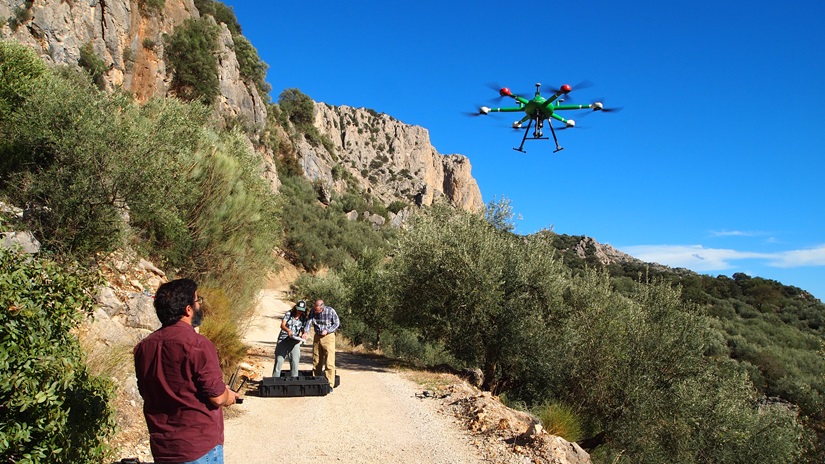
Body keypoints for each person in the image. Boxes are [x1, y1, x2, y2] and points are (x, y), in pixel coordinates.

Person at [133, 278, 239, 464]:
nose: (199, 305)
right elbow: (217, 397)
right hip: (197, 447)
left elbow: (146, 392)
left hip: (162, 448)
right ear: (188, 309)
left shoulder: (143, 347)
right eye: (198, 301)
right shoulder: (198, 345)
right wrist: (228, 395)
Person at [307, 299, 340, 388]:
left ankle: (329, 384)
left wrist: (328, 330)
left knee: (329, 360)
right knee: (316, 360)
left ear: (322, 307)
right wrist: (305, 332)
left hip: (328, 337)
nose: (316, 312)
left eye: (318, 311)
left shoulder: (331, 311)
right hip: (317, 336)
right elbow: (309, 321)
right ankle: (316, 382)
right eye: (315, 310)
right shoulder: (313, 311)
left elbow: (337, 323)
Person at [272, 300, 309, 377]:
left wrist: (304, 334)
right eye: (298, 309)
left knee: (295, 362)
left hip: (295, 341)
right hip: (283, 339)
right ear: (295, 307)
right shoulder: (289, 314)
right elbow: (282, 325)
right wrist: (288, 330)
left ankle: (294, 381)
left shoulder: (303, 317)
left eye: (301, 310)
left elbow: (303, 329)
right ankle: (275, 379)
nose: (299, 312)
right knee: (279, 360)